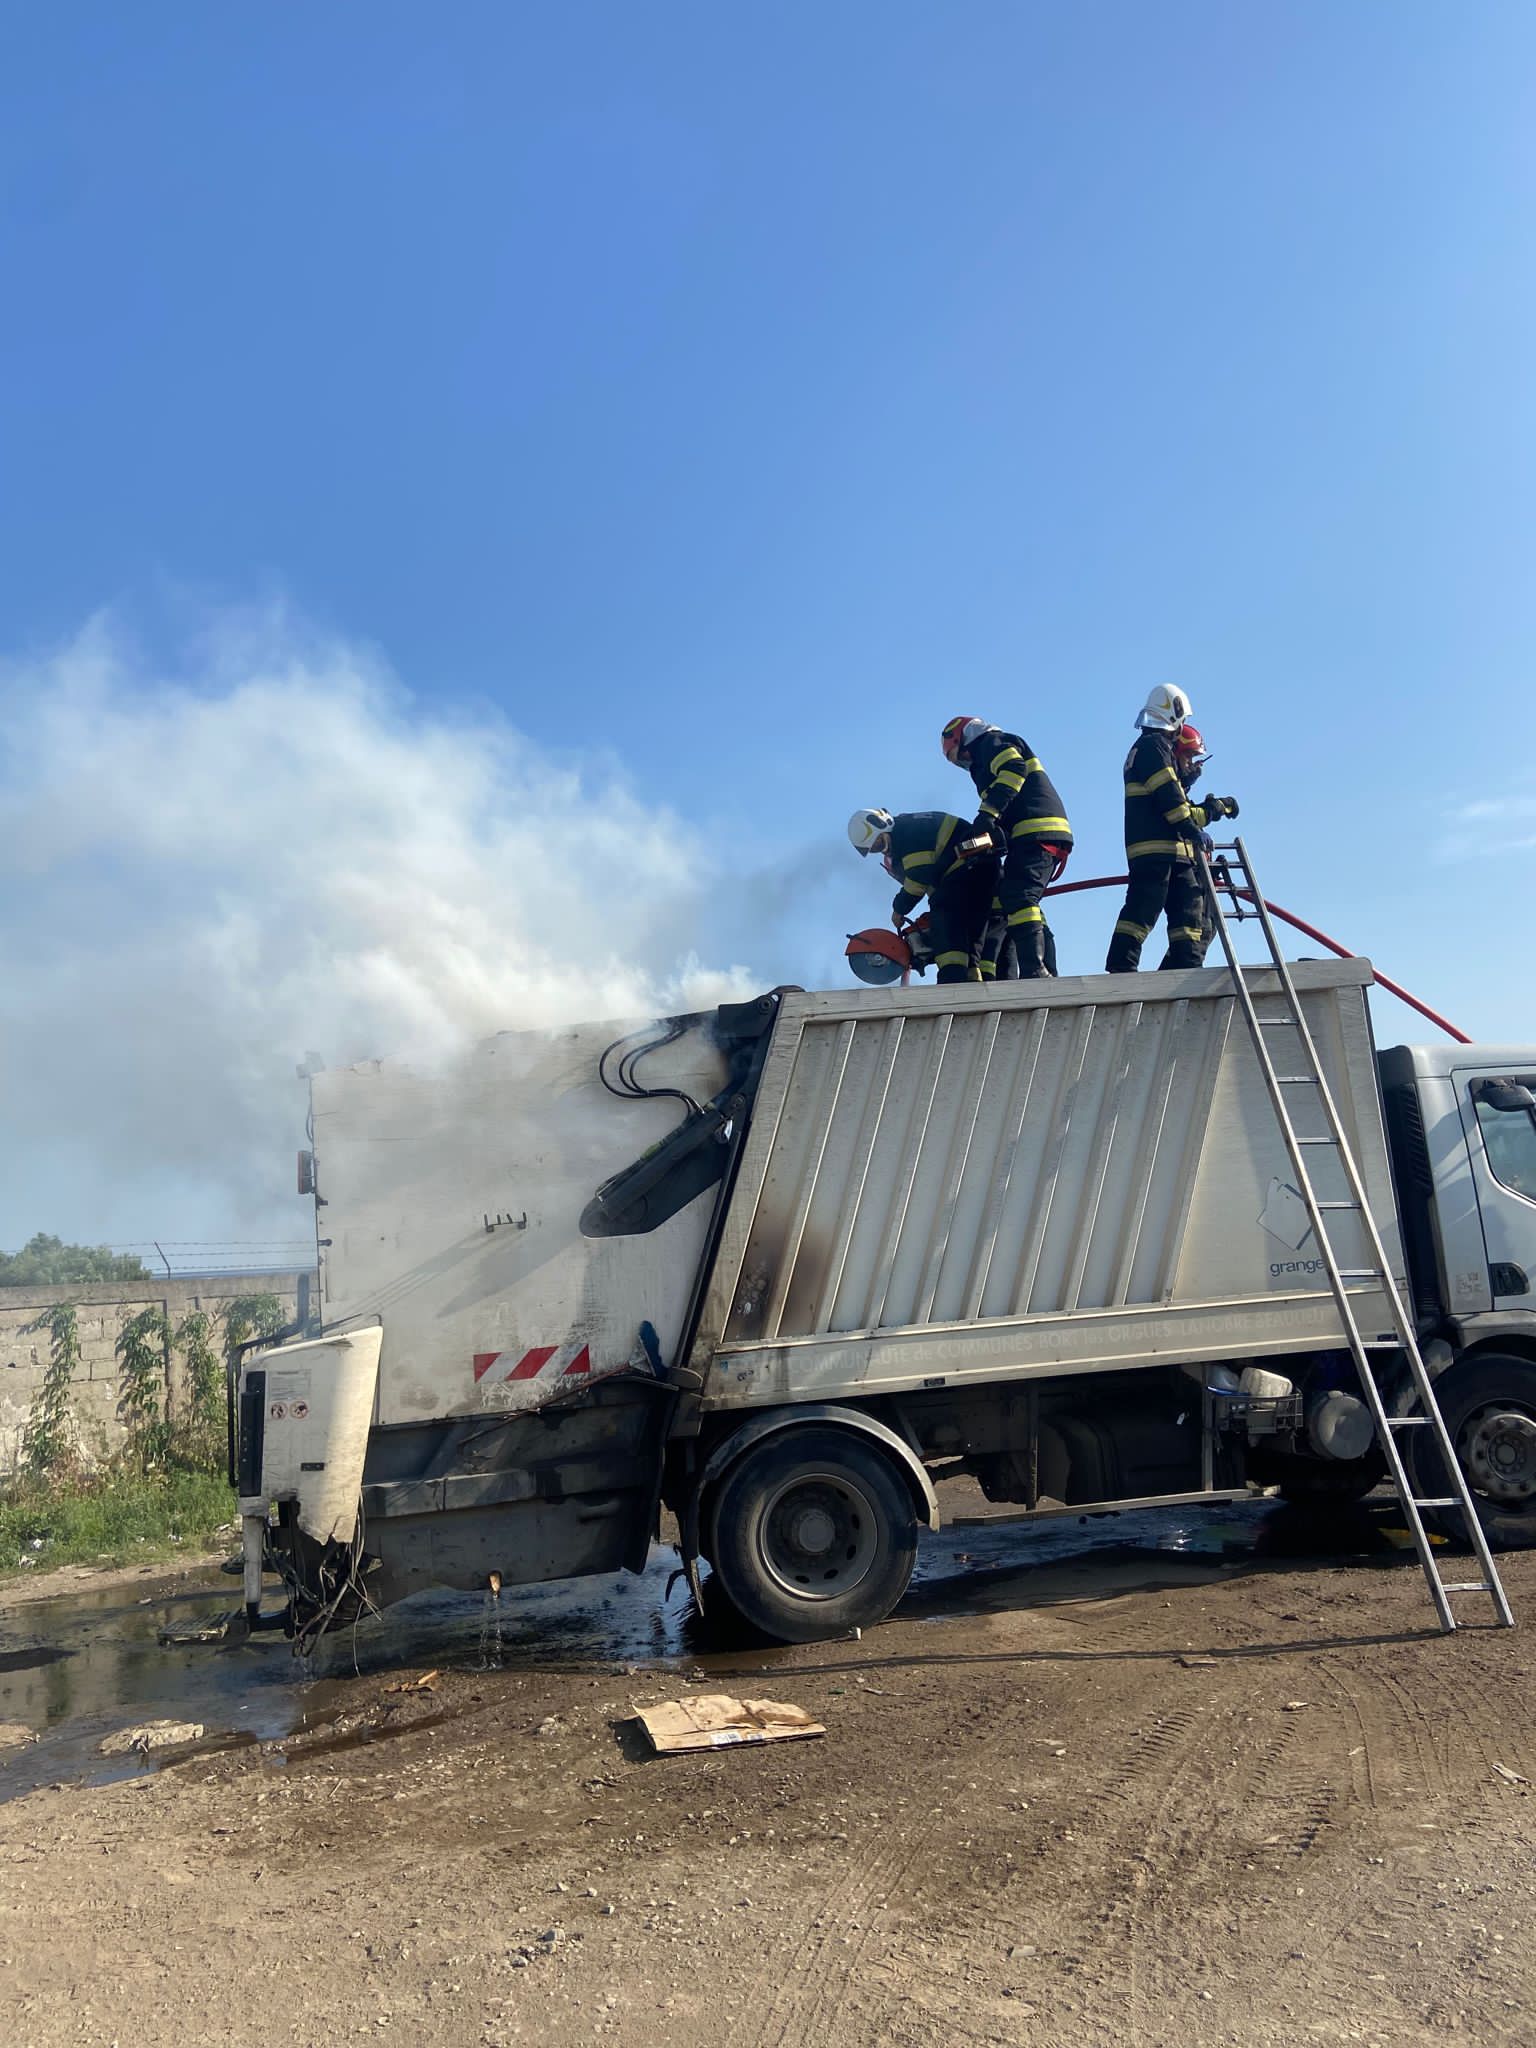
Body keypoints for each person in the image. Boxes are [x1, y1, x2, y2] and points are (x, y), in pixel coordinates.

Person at [1105, 687, 1239, 974]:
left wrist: (1186, 781)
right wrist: (1193, 829)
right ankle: (1121, 969)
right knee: (1143, 910)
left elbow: (1170, 793)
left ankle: (1186, 967)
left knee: (1189, 914)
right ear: (1174, 713)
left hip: (1175, 852)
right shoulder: (1152, 747)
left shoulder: (1154, 749)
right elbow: (1168, 798)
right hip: (1155, 849)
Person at [940, 717, 1072, 978]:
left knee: (1020, 897)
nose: (964, 762)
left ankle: (1035, 971)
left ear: (964, 738)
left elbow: (1014, 768)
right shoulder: (985, 755)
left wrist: (987, 814)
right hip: (1029, 833)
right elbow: (1010, 799)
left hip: (1035, 829)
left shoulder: (990, 742)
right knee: (1017, 898)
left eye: (960, 755)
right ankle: (1043, 971)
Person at [848, 807, 999, 983]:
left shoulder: (905, 835)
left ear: (881, 826)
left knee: (945, 926)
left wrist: (898, 910)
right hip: (982, 868)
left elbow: (918, 880)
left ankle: (952, 981)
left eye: (878, 844)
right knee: (972, 933)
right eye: (874, 850)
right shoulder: (913, 824)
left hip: (964, 868)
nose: (881, 851)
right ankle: (973, 976)